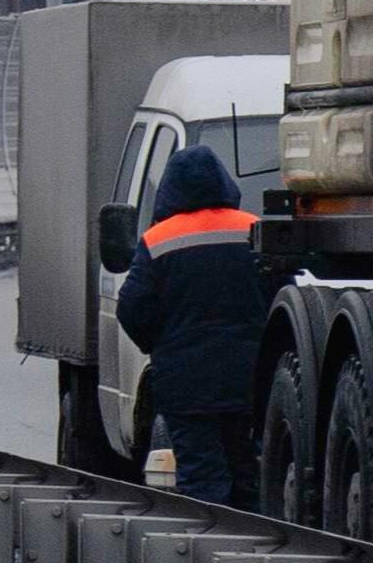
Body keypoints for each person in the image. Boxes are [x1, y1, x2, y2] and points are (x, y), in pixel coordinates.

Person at [112, 145, 270, 509]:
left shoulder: (159, 239)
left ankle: (208, 553)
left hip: (185, 380)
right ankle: (255, 554)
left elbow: (132, 308)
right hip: (248, 376)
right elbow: (280, 292)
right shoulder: (252, 229)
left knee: (201, 475)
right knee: (248, 470)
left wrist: (160, 346)